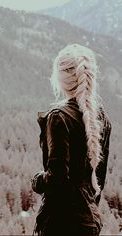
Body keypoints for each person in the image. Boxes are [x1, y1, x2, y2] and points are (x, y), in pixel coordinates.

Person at [31, 44, 112, 236]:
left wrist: (38, 181)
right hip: (89, 222)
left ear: (60, 79)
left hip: (61, 222)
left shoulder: (59, 118)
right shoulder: (101, 119)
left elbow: (57, 179)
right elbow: (98, 180)